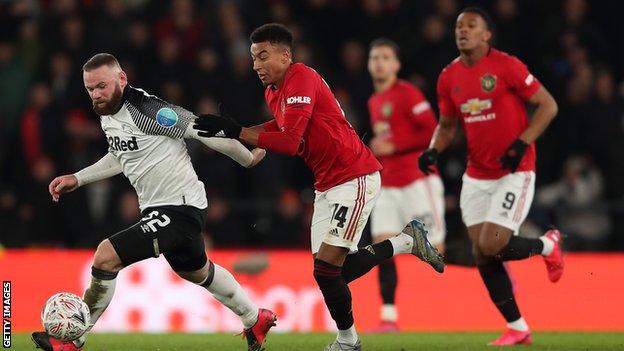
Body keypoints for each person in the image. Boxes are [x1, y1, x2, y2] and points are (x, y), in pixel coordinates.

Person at [192, 23, 444, 351]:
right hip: (326, 183)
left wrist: (237, 131)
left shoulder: (301, 77)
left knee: (328, 269)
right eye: (254, 58)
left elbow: (292, 141)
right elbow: (281, 127)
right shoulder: (274, 91)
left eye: (263, 56)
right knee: (327, 272)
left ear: (285, 55)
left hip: (354, 175)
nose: (256, 65)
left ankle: (348, 341)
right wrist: (235, 132)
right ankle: (406, 243)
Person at [31, 53, 276, 351]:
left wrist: (248, 158)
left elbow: (202, 129)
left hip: (180, 208)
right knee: (197, 271)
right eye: (90, 89)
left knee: (105, 256)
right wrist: (78, 178)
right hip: (162, 209)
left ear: (122, 79)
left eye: (102, 86)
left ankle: (72, 340)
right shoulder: (108, 113)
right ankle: (255, 318)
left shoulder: (147, 109)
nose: (96, 94)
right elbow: (122, 154)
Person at [418, 7, 564, 346]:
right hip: (476, 176)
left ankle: (548, 245)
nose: (462, 30)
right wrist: (433, 150)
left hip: (515, 171)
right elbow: (448, 124)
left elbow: (548, 106)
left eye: (471, 26)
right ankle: (517, 327)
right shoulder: (448, 76)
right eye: (458, 26)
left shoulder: (506, 65)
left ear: (486, 35)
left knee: (491, 243)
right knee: (484, 254)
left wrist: (521, 142)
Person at [366, 38, 446, 332]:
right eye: (375, 57)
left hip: (417, 182)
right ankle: (388, 318)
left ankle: (491, 261)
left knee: (436, 251)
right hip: (388, 186)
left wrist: (393, 145)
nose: (379, 62)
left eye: (386, 57)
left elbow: (432, 130)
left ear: (396, 65)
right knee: (380, 249)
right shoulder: (374, 101)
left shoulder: (408, 93)